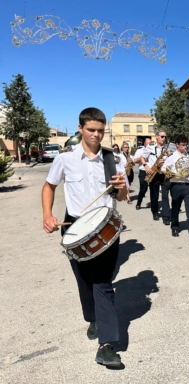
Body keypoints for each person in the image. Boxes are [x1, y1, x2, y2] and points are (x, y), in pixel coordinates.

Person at [41, 107, 127, 366]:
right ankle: (92, 317)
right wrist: (47, 215)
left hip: (106, 227)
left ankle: (107, 344)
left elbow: (123, 199)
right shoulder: (65, 159)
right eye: (91, 130)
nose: (96, 135)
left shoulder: (114, 159)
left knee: (103, 282)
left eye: (101, 131)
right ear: (80, 129)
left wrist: (122, 189)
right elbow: (49, 186)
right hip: (75, 226)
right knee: (84, 281)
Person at [164, 135, 189, 237]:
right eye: (182, 145)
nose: (185, 147)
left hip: (188, 185)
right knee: (176, 207)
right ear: (177, 145)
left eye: (186, 145)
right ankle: (175, 227)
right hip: (176, 185)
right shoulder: (172, 157)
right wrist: (173, 173)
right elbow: (164, 169)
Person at [140, 130, 171, 223]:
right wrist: (146, 166)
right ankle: (155, 212)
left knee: (165, 195)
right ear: (157, 137)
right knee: (155, 195)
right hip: (154, 173)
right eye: (162, 136)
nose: (164, 138)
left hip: (164, 173)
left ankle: (166, 216)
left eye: (165, 137)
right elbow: (142, 157)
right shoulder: (150, 148)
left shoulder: (167, 148)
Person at [134, 138, 152, 209]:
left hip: (152, 171)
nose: (149, 145)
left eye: (150, 143)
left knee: (153, 189)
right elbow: (135, 160)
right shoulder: (140, 150)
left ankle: (154, 204)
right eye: (147, 143)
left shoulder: (153, 150)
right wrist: (142, 158)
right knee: (143, 188)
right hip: (143, 172)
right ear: (144, 143)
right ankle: (139, 202)